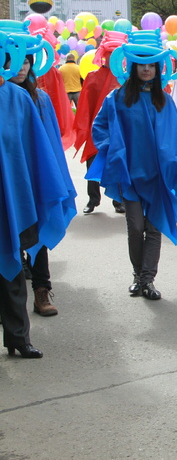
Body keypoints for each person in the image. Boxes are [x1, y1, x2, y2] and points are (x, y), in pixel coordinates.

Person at [87, 29, 177, 300]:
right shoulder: (117, 98)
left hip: (157, 176)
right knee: (135, 227)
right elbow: (99, 128)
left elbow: (175, 138)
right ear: (132, 66)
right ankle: (137, 275)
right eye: (141, 64)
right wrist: (115, 151)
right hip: (129, 175)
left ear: (159, 68)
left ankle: (147, 280)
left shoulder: (165, 101)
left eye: (151, 64)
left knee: (153, 226)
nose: (146, 69)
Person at [0, 32, 73, 358]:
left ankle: (18, 338)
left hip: (13, 196)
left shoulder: (19, 99)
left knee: (13, 267)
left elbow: (37, 152)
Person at [10, 54, 78, 317]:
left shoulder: (41, 98)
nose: (20, 67)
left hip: (36, 174)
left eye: (25, 61)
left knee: (38, 232)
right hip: (10, 176)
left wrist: (53, 177)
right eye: (14, 61)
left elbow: (50, 141)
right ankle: (10, 303)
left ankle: (41, 289)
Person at [73, 30, 127, 215]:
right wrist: (85, 129)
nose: (112, 57)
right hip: (97, 129)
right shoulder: (93, 77)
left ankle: (118, 200)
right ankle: (93, 199)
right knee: (93, 162)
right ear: (104, 55)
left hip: (119, 129)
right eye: (110, 53)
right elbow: (85, 106)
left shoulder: (125, 79)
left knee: (119, 162)